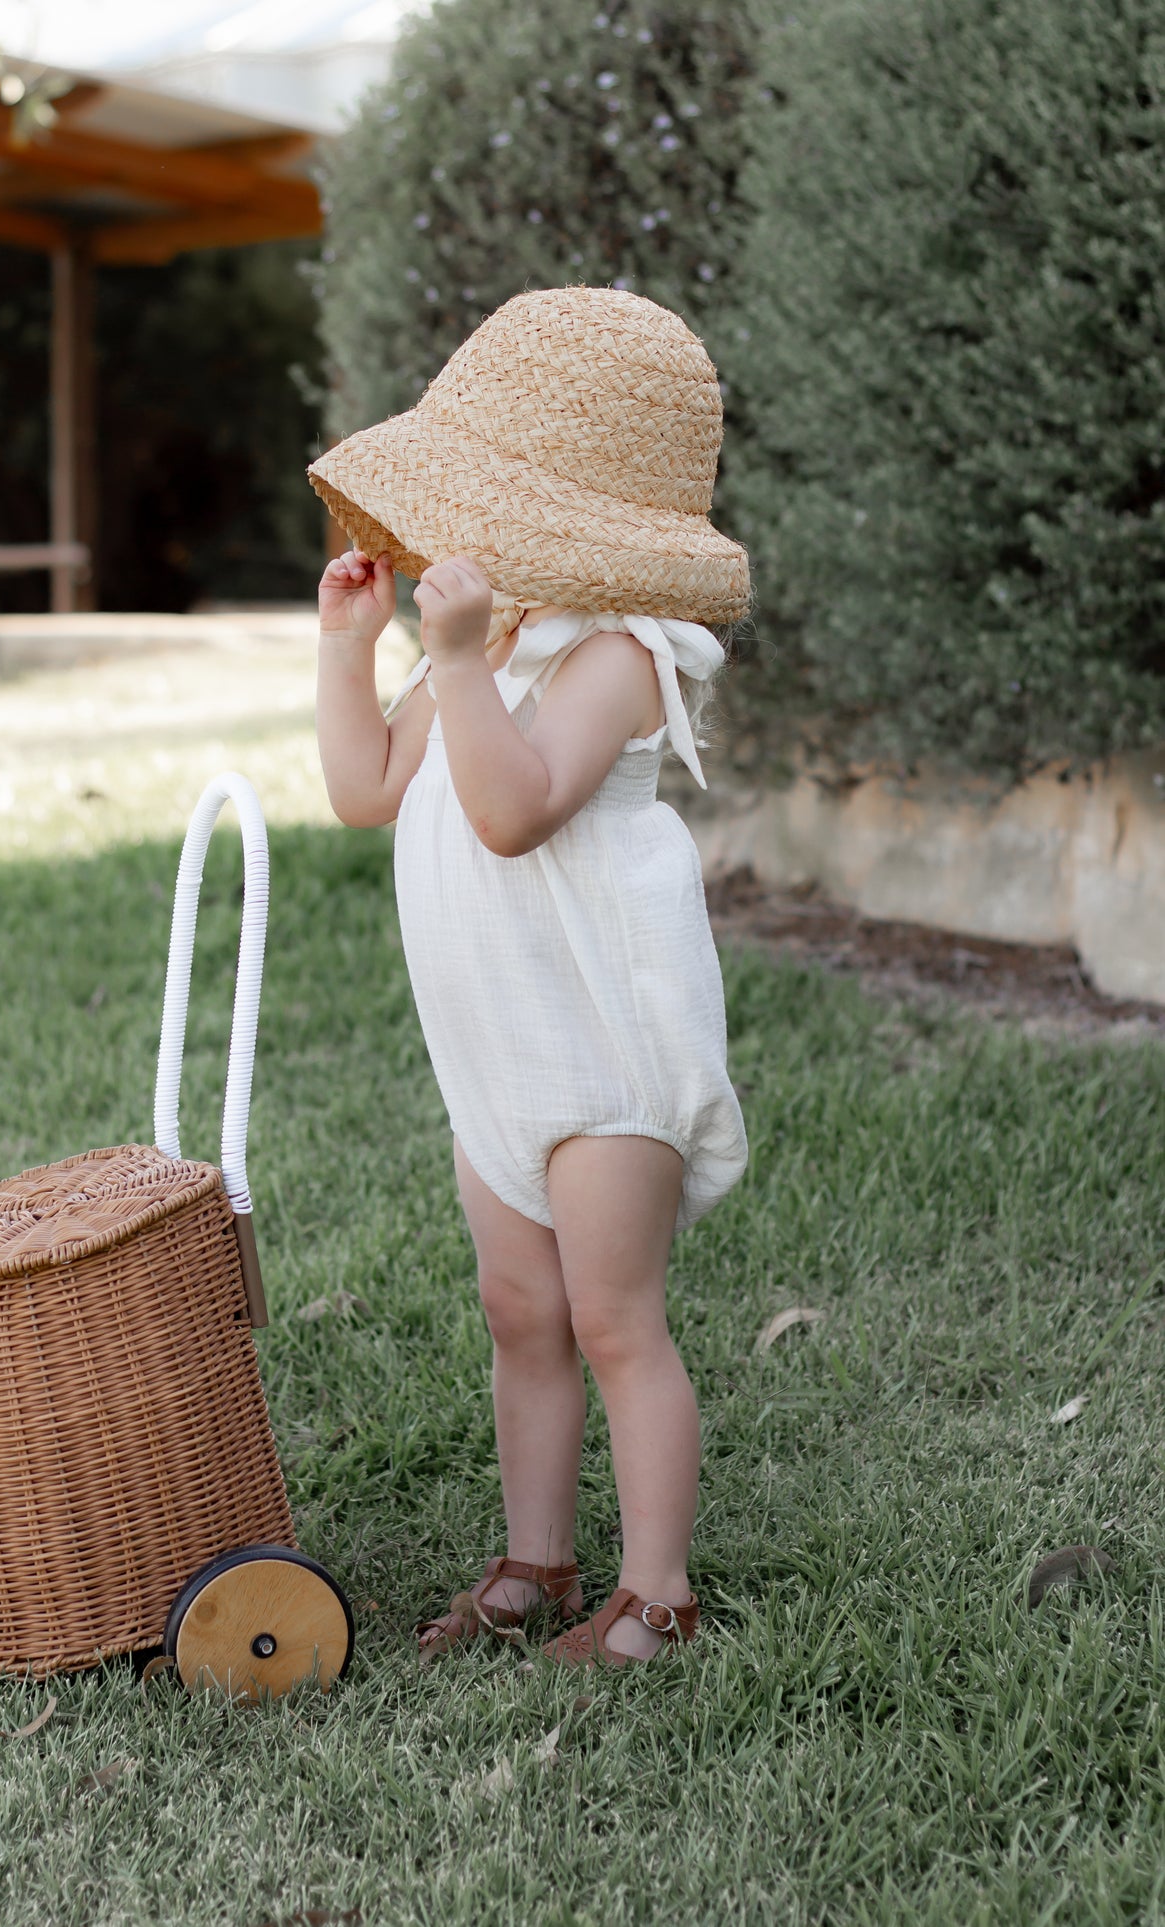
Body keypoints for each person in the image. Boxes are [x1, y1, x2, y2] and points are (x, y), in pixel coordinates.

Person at [308, 286, 750, 1669]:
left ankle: (658, 1594)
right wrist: (352, 651)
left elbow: (511, 809)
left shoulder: (618, 655)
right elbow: (366, 790)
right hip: (497, 1043)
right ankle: (537, 1560)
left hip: (602, 1042)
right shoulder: (485, 646)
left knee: (613, 1316)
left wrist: (450, 662)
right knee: (520, 1309)